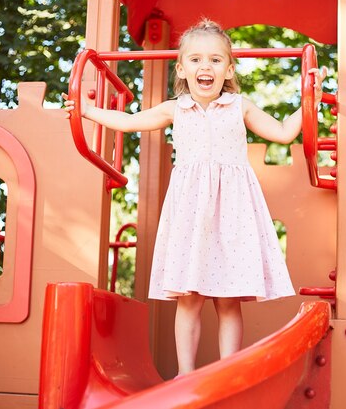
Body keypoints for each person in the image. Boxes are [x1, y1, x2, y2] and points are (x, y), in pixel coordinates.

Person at [63, 19, 327, 376]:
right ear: (183, 69)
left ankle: (228, 370)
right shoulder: (176, 108)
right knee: (188, 298)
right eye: (196, 60)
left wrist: (310, 100)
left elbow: (282, 132)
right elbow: (128, 121)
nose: (206, 67)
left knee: (229, 299)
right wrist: (87, 110)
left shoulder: (239, 106)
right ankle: (185, 375)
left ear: (229, 69)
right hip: (191, 212)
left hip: (232, 211)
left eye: (216, 60)